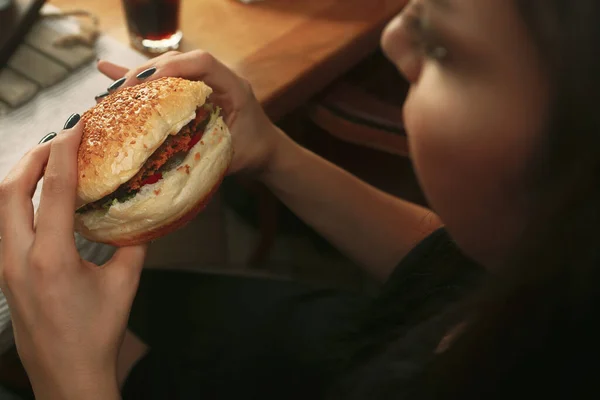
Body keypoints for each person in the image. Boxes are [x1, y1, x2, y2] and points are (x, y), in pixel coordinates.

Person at [1, 0, 600, 398]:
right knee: (146, 313)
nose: (392, 39)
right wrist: (276, 154)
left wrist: (69, 380)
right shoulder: (547, 272)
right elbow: (454, 270)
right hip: (369, 336)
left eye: (441, 47)